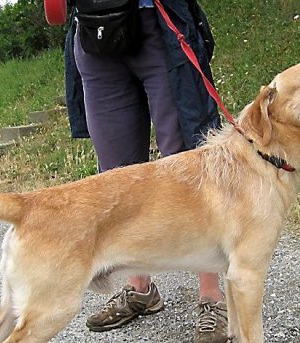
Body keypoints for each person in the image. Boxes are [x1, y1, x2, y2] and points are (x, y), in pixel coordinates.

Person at [64, 1, 227, 342]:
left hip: (157, 19)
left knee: (190, 170)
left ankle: (212, 297)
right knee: (116, 180)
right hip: (94, 30)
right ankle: (140, 289)